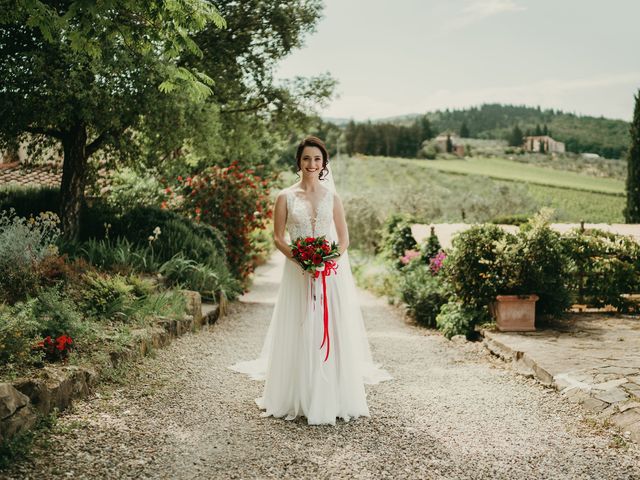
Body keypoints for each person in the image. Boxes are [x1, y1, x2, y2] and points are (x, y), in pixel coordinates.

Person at [228, 135, 392, 425]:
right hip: (298, 271)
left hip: (330, 274)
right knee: (300, 324)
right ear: (298, 162)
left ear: (324, 163)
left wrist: (327, 261)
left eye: (317, 159)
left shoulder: (333, 198)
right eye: (306, 158)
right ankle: (298, 396)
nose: (311, 164)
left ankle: (331, 396)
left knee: (329, 327)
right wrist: (302, 260)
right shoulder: (285, 197)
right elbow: (278, 237)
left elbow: (344, 240)